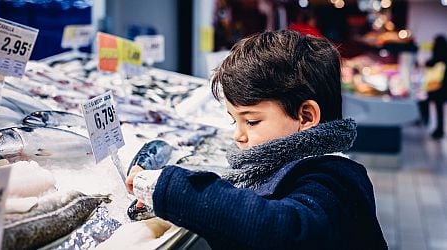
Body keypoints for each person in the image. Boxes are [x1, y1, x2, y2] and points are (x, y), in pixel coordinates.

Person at [126, 30, 387, 249]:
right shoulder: (282, 164)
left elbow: (283, 231)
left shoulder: (335, 180)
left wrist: (174, 189)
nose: (238, 135)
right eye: (234, 120)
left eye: (251, 121)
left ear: (306, 116)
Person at [418, 35, 447, 139]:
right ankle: (438, 129)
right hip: (441, 86)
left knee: (431, 105)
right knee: (439, 110)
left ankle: (431, 126)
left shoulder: (440, 54)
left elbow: (431, 63)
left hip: (438, 86)